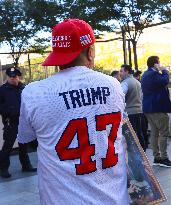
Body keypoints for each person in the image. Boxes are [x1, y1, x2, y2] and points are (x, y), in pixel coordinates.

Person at [17, 19, 129, 205]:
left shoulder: (33, 92)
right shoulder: (114, 84)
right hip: (115, 199)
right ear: (90, 52)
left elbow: (25, 137)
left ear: (57, 53)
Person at [0, 68, 37, 178]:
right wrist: (9, 111)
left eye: (15, 76)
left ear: (18, 77)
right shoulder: (2, 90)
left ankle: (26, 166)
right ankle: (3, 169)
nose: (13, 78)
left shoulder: (24, 88)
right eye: (11, 76)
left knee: (23, 146)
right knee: (8, 146)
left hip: (24, 122)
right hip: (10, 122)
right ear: (7, 77)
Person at [141, 56, 171, 167]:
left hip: (149, 108)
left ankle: (156, 157)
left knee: (154, 133)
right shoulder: (153, 74)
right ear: (155, 64)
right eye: (159, 62)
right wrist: (164, 70)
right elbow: (165, 80)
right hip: (157, 108)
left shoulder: (145, 74)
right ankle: (163, 157)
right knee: (164, 133)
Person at [120, 64, 146, 151]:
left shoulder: (125, 83)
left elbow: (120, 96)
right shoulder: (137, 82)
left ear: (127, 71)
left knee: (131, 135)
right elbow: (142, 97)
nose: (120, 73)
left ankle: (135, 154)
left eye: (122, 71)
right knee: (139, 133)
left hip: (129, 113)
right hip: (139, 111)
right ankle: (143, 152)